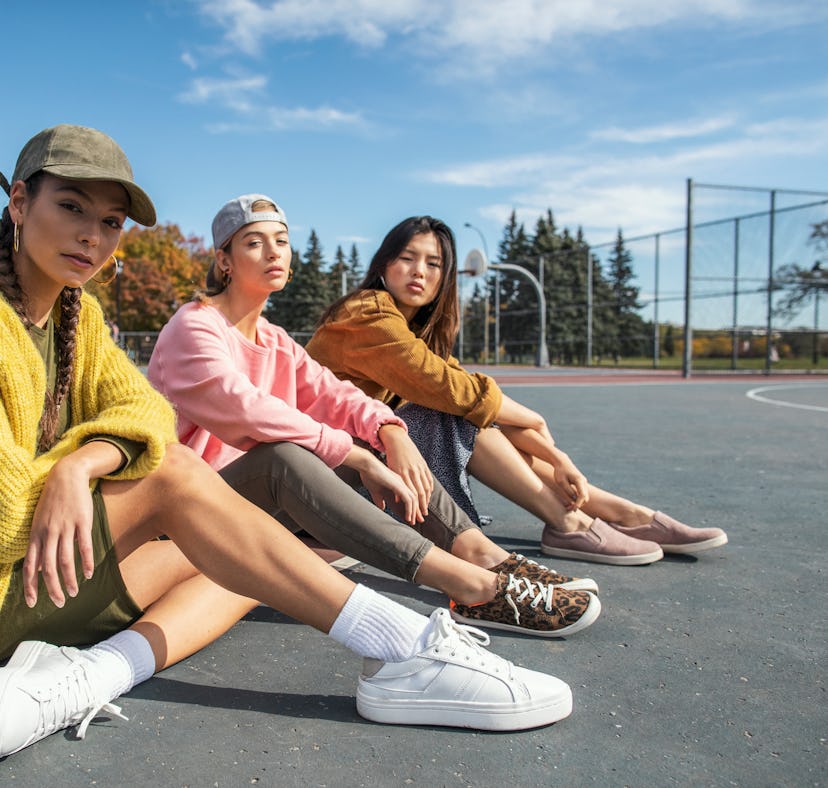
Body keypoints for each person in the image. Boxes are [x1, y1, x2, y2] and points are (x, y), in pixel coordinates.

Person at [0, 127, 573, 756]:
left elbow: (149, 413)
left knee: (256, 555)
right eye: (71, 207)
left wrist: (386, 431)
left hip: (107, 549)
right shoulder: (193, 327)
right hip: (59, 558)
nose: (92, 235)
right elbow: (14, 510)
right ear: (20, 203)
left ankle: (90, 675)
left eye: (111, 221)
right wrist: (78, 469)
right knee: (224, 472)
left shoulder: (79, 317)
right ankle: (423, 629)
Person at [147, 194, 600, 640]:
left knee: (369, 436)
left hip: (260, 506)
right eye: (254, 243)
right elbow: (244, 408)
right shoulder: (195, 325)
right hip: (196, 507)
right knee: (286, 455)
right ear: (224, 260)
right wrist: (357, 456)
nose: (273, 252)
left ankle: (481, 554)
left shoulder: (274, 339)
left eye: (281, 241)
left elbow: (336, 394)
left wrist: (389, 431)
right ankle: (471, 587)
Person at [306, 216, 728, 565]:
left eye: (433, 263)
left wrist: (556, 457)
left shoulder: (412, 329)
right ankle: (569, 523)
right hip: (324, 472)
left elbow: (471, 396)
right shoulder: (367, 314)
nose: (420, 271)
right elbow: (452, 391)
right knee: (446, 413)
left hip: (360, 467)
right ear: (384, 263)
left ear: (445, 277)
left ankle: (620, 513)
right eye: (407, 258)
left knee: (459, 412)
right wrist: (537, 422)